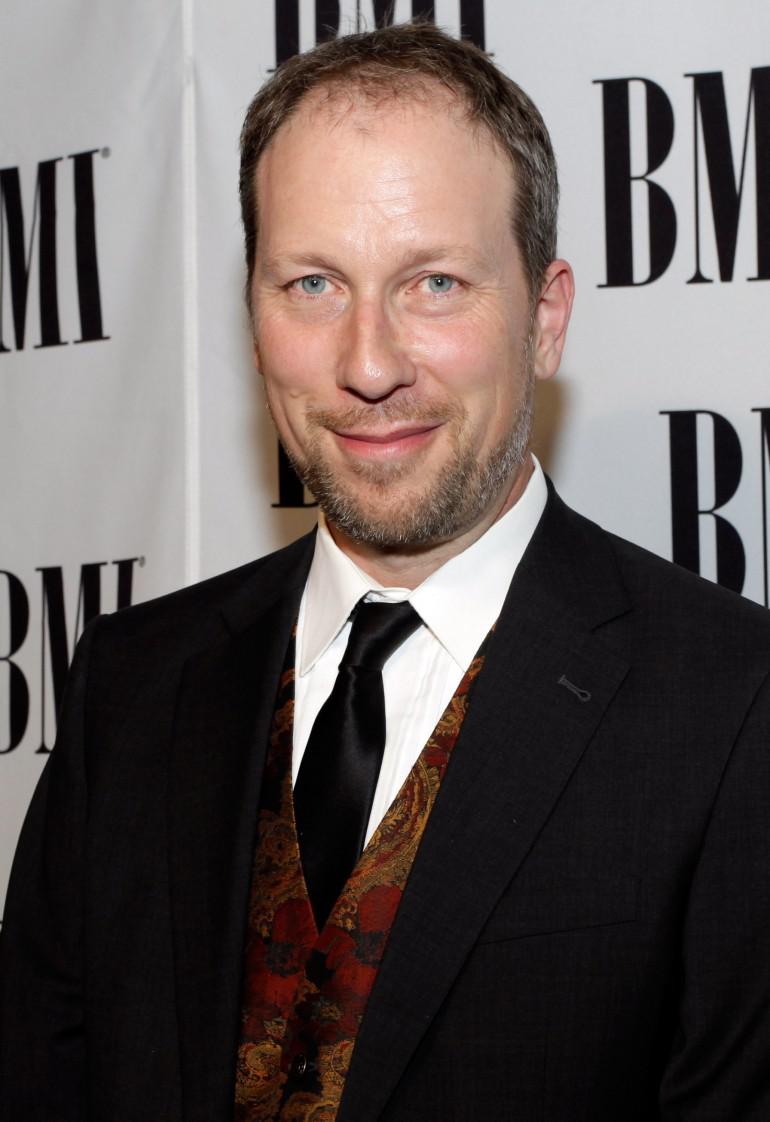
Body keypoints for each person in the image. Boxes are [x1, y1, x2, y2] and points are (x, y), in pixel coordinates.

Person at [2, 21, 770, 1122]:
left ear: (545, 317)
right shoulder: (131, 684)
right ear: (252, 313)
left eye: (435, 283)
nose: (367, 364)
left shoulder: (730, 704)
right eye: (312, 283)